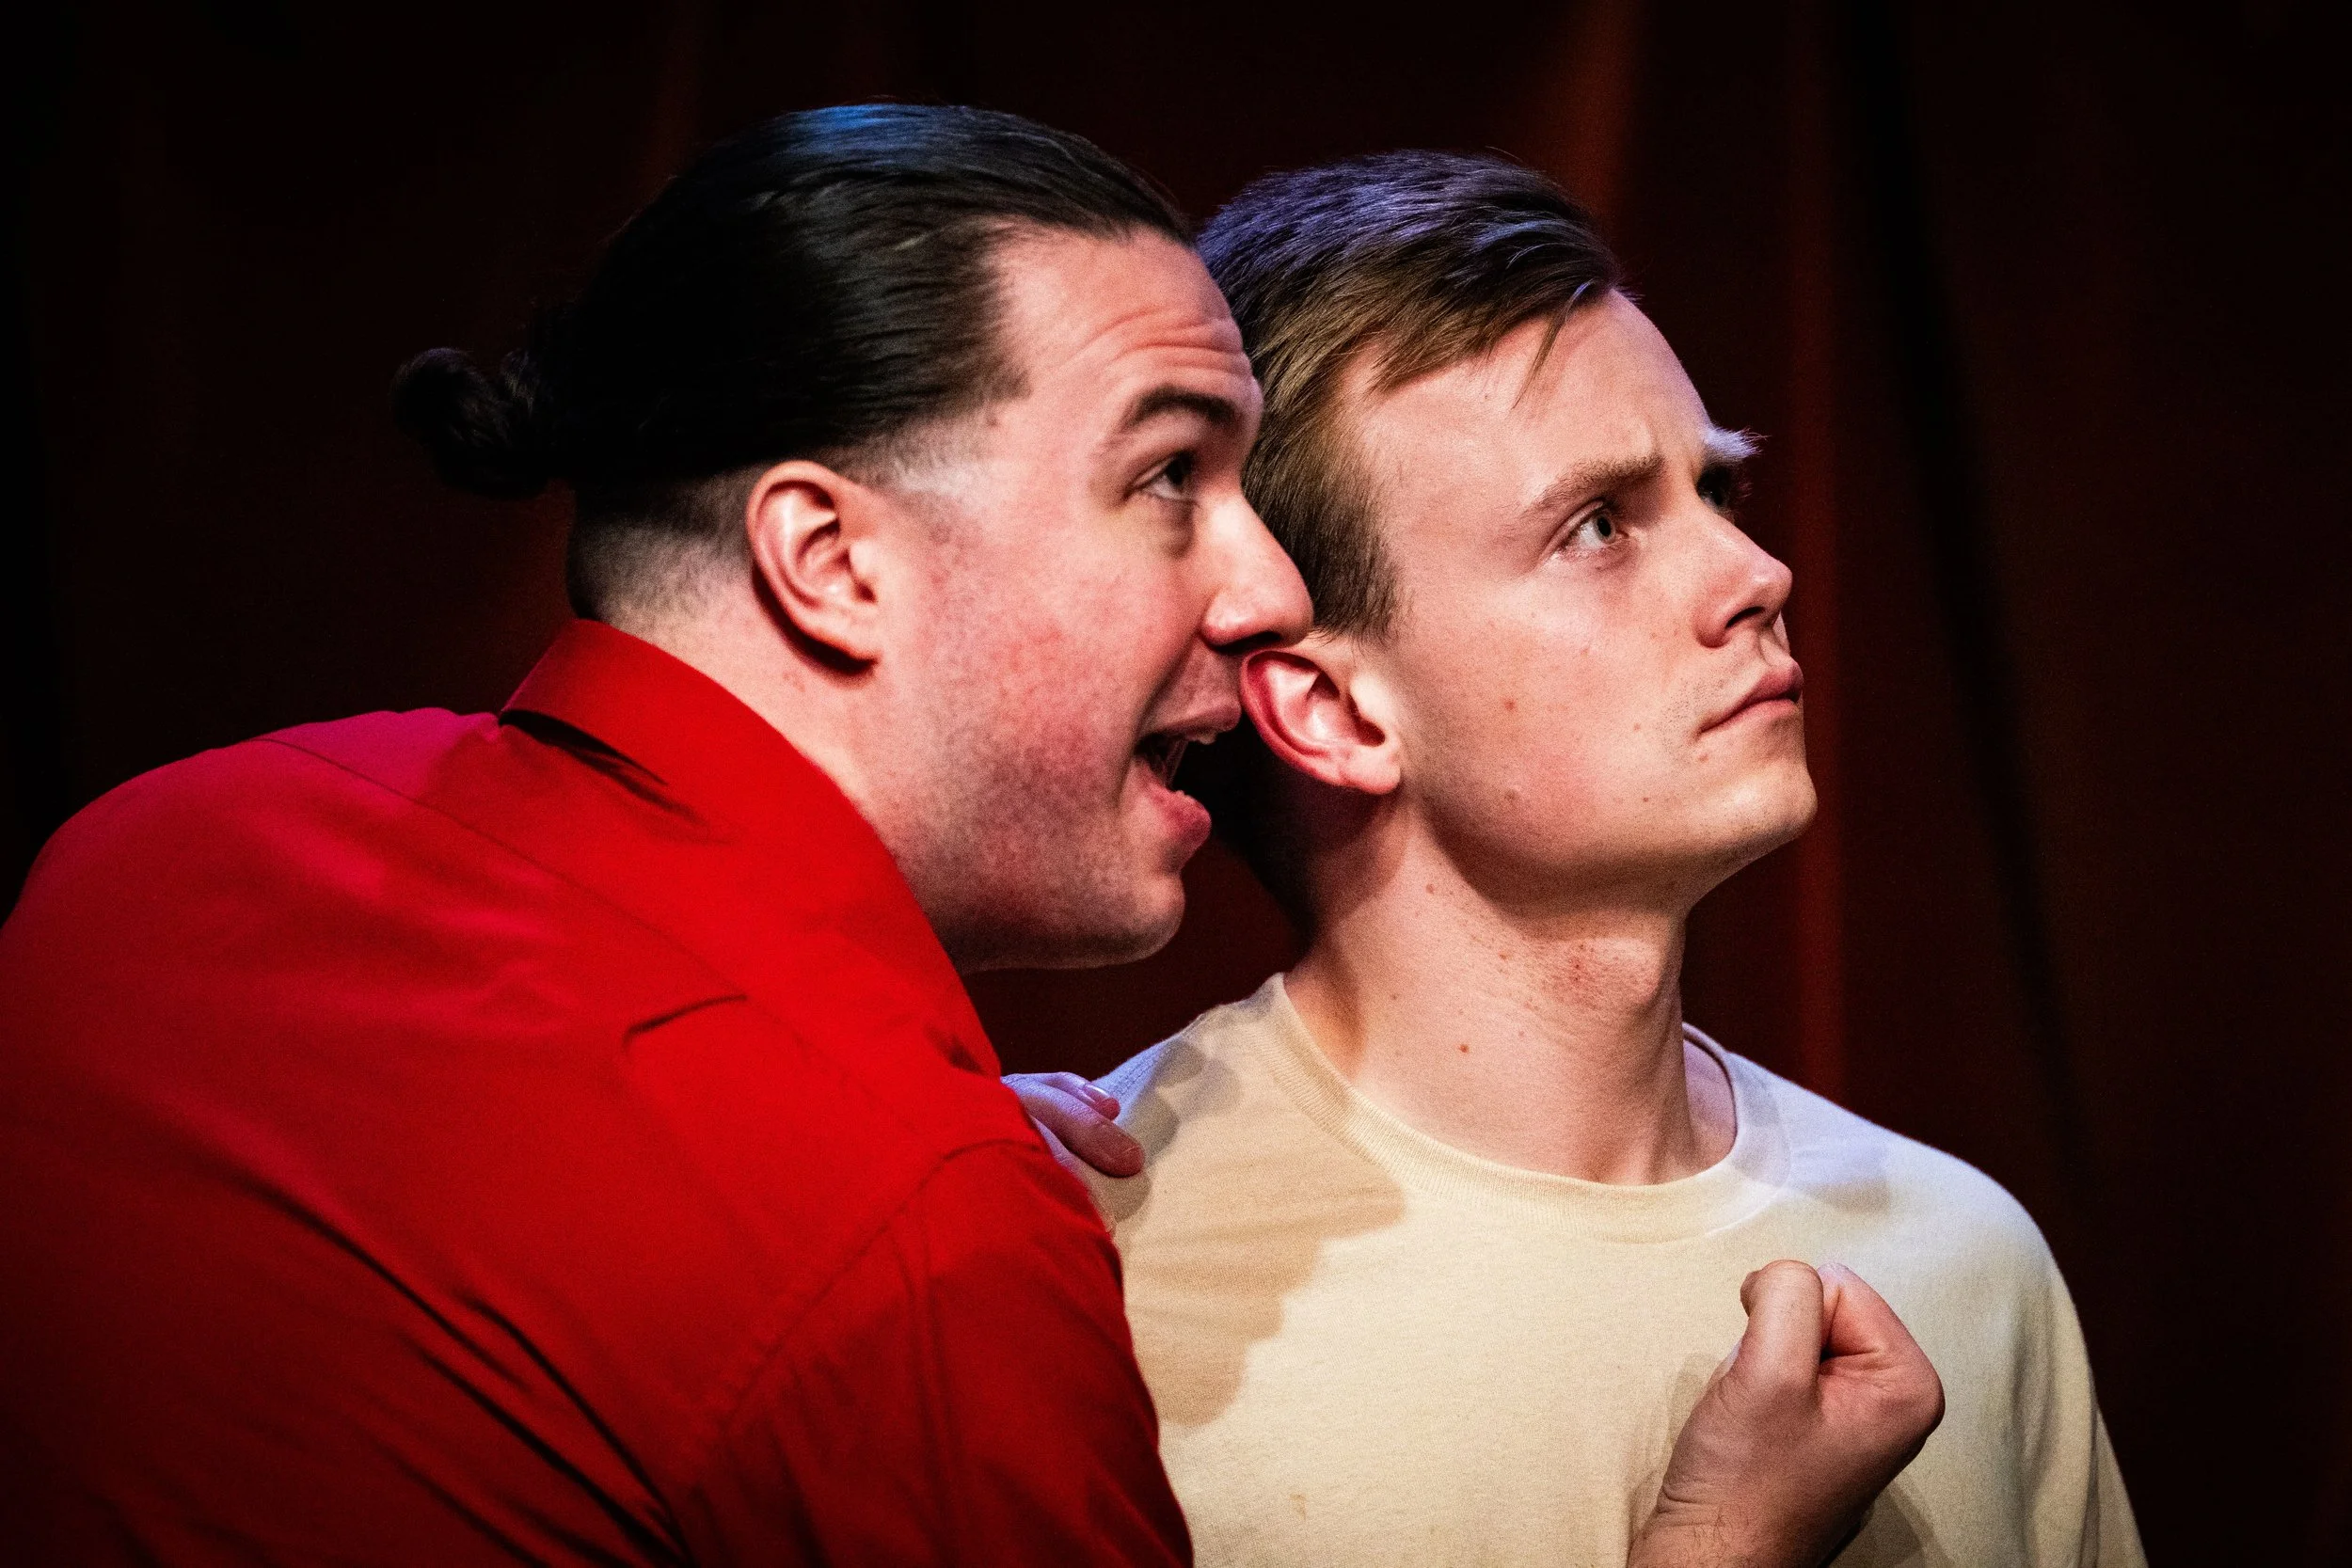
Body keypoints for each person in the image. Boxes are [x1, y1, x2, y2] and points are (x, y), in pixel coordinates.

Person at [0, 108, 1935, 1565]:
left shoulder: (148, 853)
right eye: (1167, 478)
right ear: (830, 559)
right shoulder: (910, 1247)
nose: (1264, 588)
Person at [1025, 152, 2143, 1567]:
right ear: (1334, 710)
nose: (1757, 575)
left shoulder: (1958, 1257)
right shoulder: (1091, 1278)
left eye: (1717, 489)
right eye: (1599, 526)